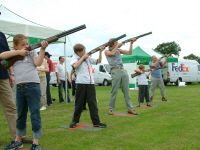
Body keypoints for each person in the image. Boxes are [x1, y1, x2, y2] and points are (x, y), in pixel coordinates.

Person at [3, 34, 48, 150]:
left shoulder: (32, 52)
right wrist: (18, 53)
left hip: (33, 86)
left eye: (27, 44)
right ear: (16, 46)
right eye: (23, 45)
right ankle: (17, 140)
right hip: (20, 88)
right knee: (21, 115)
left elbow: (38, 63)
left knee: (35, 114)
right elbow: (2, 56)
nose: (26, 46)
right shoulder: (15, 55)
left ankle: (36, 143)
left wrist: (42, 49)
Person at [0, 32, 32, 145]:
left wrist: (11, 74)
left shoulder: (1, 35)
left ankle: (18, 137)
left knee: (11, 107)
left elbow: (9, 56)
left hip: (2, 75)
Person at [69, 43, 106, 128]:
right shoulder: (75, 58)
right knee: (79, 103)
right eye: (83, 51)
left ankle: (96, 122)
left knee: (92, 103)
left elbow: (98, 61)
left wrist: (100, 52)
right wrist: (83, 58)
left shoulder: (87, 58)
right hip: (81, 83)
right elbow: (75, 66)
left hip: (90, 83)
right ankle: (74, 121)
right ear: (78, 52)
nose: (85, 52)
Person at [104, 38, 138, 115]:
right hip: (115, 71)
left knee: (126, 91)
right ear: (112, 43)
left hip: (122, 70)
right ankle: (110, 109)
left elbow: (129, 52)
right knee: (114, 91)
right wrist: (117, 46)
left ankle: (130, 108)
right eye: (116, 42)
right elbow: (112, 53)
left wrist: (131, 43)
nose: (118, 43)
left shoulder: (118, 50)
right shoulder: (106, 51)